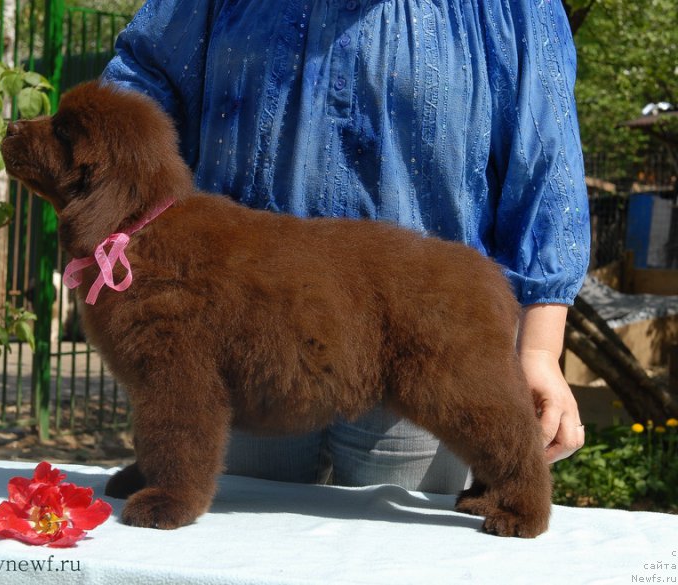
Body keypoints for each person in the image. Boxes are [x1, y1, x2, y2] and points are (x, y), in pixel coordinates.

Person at [102, 0, 590, 494]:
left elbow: (545, 157)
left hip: (423, 337)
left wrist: (539, 349)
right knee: (236, 534)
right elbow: (142, 80)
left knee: (397, 541)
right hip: (242, 337)